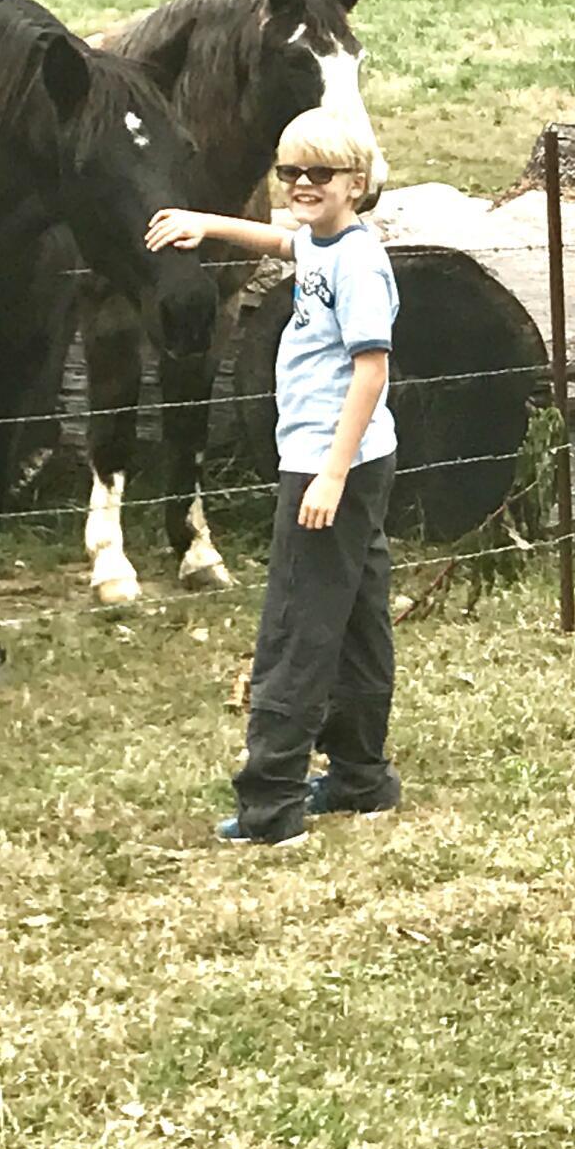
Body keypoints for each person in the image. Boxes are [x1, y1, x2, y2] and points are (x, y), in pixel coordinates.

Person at [147, 107, 399, 846]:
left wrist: (329, 473)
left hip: (331, 462)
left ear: (355, 183)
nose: (299, 184)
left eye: (318, 173)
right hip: (347, 459)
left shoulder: (358, 263)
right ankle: (360, 776)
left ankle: (271, 806)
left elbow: (371, 371)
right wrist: (209, 222)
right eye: (288, 171)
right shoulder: (324, 242)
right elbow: (286, 239)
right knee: (355, 618)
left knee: (295, 625)